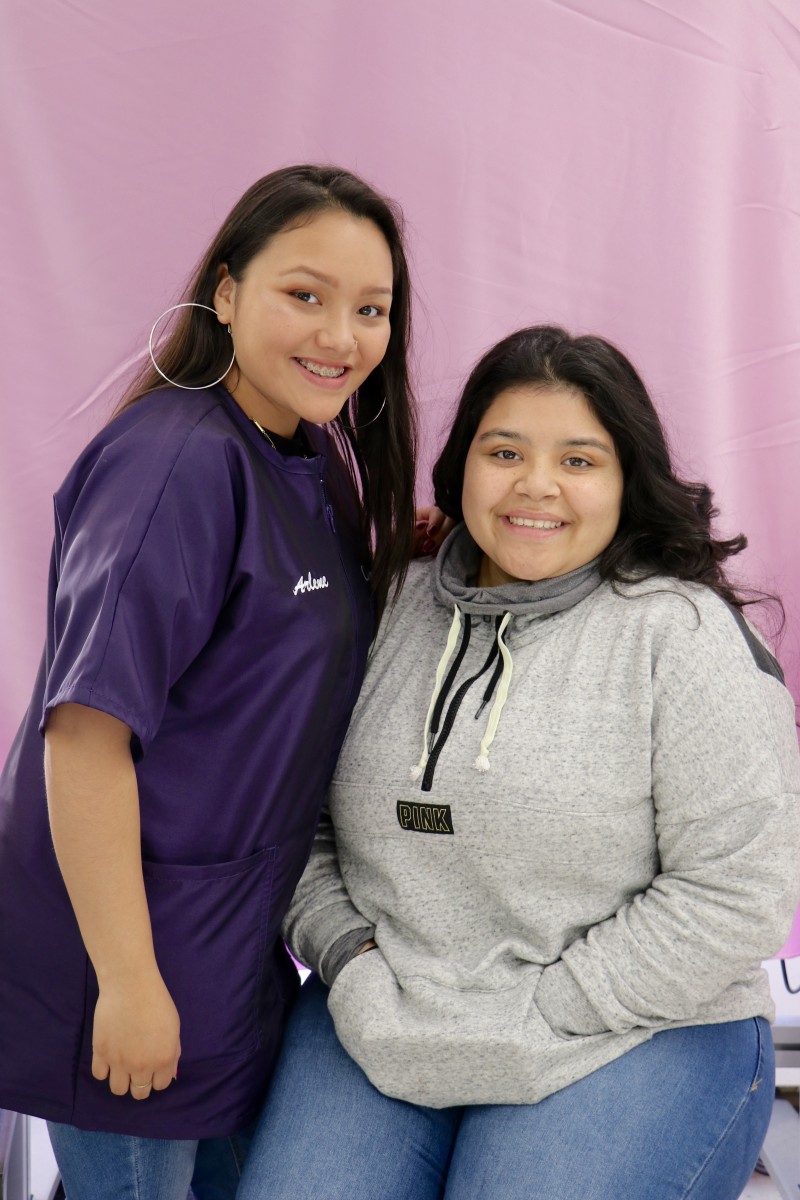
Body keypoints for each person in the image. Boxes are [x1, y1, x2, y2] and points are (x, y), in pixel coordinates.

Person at [237, 325, 800, 1200]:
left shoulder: (678, 636)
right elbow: (294, 823)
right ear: (462, 465)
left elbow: (737, 891)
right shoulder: (385, 601)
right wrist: (348, 958)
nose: (537, 485)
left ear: (625, 481)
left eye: (580, 460)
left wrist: (546, 1011)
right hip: (388, 1006)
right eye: (505, 451)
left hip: (634, 1023)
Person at [0, 164, 418, 1200]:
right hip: (130, 956)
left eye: (369, 309)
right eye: (304, 295)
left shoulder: (297, 451)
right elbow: (84, 738)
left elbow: (271, 633)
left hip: (228, 949)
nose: (340, 336)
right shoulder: (175, 464)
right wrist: (131, 984)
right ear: (226, 293)